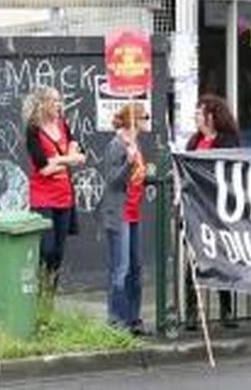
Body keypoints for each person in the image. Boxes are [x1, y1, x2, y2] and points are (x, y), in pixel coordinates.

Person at [184, 94, 240, 330]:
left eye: (200, 112)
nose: (196, 116)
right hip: (196, 209)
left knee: (222, 259)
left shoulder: (227, 141)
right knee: (193, 262)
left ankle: (227, 310)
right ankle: (192, 312)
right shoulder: (194, 141)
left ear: (212, 116)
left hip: (219, 210)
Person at [23, 85, 85, 294]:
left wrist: (60, 159)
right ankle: (38, 294)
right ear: (42, 103)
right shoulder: (33, 130)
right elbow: (45, 168)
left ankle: (48, 300)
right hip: (43, 199)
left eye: (59, 101)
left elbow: (81, 155)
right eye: (54, 101)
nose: (59, 105)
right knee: (46, 249)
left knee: (58, 252)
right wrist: (69, 159)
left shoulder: (63, 125)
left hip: (64, 196)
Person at [99, 104, 150, 335]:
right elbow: (113, 181)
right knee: (121, 268)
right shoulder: (116, 145)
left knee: (136, 267)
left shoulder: (134, 144)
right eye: (144, 117)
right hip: (119, 213)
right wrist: (129, 162)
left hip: (134, 211)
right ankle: (117, 320)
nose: (148, 120)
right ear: (133, 120)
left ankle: (133, 318)